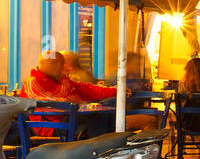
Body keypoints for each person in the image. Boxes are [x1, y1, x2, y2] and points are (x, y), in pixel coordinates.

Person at [18, 51, 151, 137]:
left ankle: (107, 146)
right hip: (54, 127)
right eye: (61, 64)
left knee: (110, 105)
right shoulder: (32, 83)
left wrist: (116, 90)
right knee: (100, 116)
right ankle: (103, 150)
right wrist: (69, 101)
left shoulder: (62, 80)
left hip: (74, 119)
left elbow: (86, 89)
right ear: (52, 64)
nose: (64, 67)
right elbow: (43, 102)